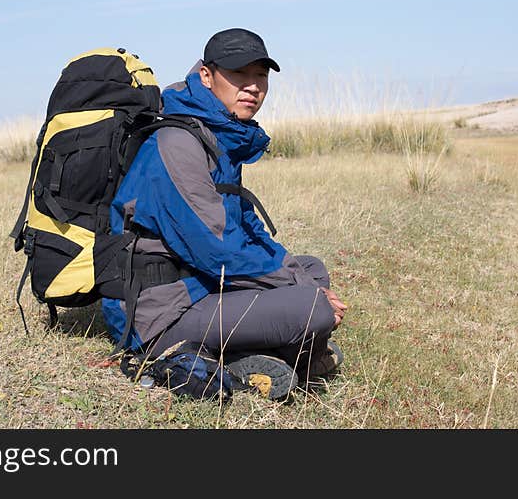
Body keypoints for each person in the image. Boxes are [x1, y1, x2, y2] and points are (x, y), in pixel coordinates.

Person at [101, 28, 348, 399]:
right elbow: (217, 250)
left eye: (260, 76)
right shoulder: (179, 143)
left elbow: (243, 222)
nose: (252, 87)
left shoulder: (218, 133)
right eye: (238, 74)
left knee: (311, 267)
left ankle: (263, 350)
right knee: (310, 306)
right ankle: (202, 356)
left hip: (198, 284)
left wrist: (298, 275)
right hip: (160, 311)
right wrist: (304, 290)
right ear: (206, 76)